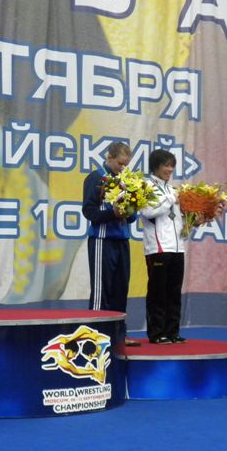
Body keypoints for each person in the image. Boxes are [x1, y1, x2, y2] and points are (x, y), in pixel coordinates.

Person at [82, 142, 139, 346]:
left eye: (126, 165)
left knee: (120, 290)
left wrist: (129, 211)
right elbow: (89, 211)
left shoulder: (127, 181)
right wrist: (112, 213)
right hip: (102, 241)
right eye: (120, 164)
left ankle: (118, 336)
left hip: (122, 241)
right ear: (109, 158)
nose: (123, 168)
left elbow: (132, 217)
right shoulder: (96, 177)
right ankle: (95, 338)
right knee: (101, 292)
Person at [140, 150, 187, 344]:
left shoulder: (173, 189)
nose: (170, 169)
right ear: (155, 166)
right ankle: (157, 333)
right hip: (158, 247)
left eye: (172, 165)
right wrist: (171, 199)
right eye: (166, 165)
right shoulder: (146, 186)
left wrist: (195, 220)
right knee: (158, 292)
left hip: (177, 247)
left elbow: (179, 218)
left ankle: (172, 331)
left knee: (174, 291)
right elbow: (148, 211)